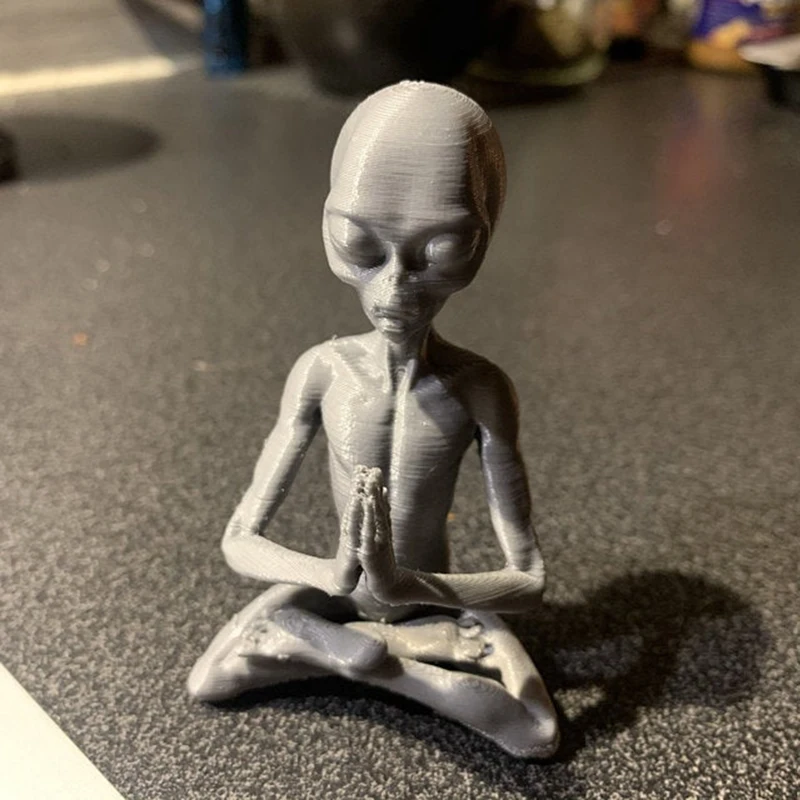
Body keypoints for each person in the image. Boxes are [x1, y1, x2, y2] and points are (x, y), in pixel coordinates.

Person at [188, 81, 559, 758]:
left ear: (481, 240)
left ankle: (355, 653)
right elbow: (239, 540)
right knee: (210, 677)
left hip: (438, 601)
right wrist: (335, 575)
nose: (394, 288)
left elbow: (528, 580)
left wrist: (403, 585)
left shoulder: (480, 389)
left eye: (440, 252)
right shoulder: (323, 371)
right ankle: (389, 656)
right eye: (359, 245)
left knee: (534, 733)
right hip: (344, 591)